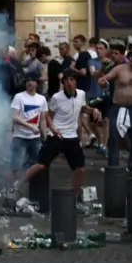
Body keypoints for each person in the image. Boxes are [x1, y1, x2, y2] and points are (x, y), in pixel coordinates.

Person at [16, 71, 100, 201]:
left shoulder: (81, 94)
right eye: (66, 80)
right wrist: (53, 128)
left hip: (71, 137)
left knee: (80, 170)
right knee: (41, 165)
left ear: (76, 82)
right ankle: (18, 185)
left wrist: (93, 110)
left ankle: (74, 197)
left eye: (72, 80)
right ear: (64, 83)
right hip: (56, 136)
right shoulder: (57, 97)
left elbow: (82, 108)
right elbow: (49, 115)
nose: (69, 83)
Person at [98, 47, 132, 174]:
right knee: (114, 139)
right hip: (117, 107)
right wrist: (102, 82)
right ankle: (113, 167)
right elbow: (104, 78)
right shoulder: (120, 69)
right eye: (131, 56)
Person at [9, 72, 47, 196]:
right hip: (20, 136)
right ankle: (11, 191)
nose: (30, 82)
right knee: (15, 166)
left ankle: (32, 192)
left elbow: (42, 119)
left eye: (33, 80)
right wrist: (30, 126)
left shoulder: (41, 99)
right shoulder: (19, 97)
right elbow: (14, 117)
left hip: (35, 138)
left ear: (37, 83)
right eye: (28, 80)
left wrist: (44, 137)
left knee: (36, 165)